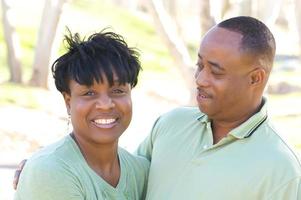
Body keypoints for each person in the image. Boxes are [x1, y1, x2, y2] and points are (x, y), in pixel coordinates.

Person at [136, 16, 301, 199]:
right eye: (200, 65)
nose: (200, 80)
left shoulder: (283, 170)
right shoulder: (170, 124)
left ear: (255, 78)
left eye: (216, 72)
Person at [14, 30, 149, 200]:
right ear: (68, 101)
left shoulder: (141, 173)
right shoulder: (50, 170)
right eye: (89, 93)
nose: (106, 105)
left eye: (117, 91)